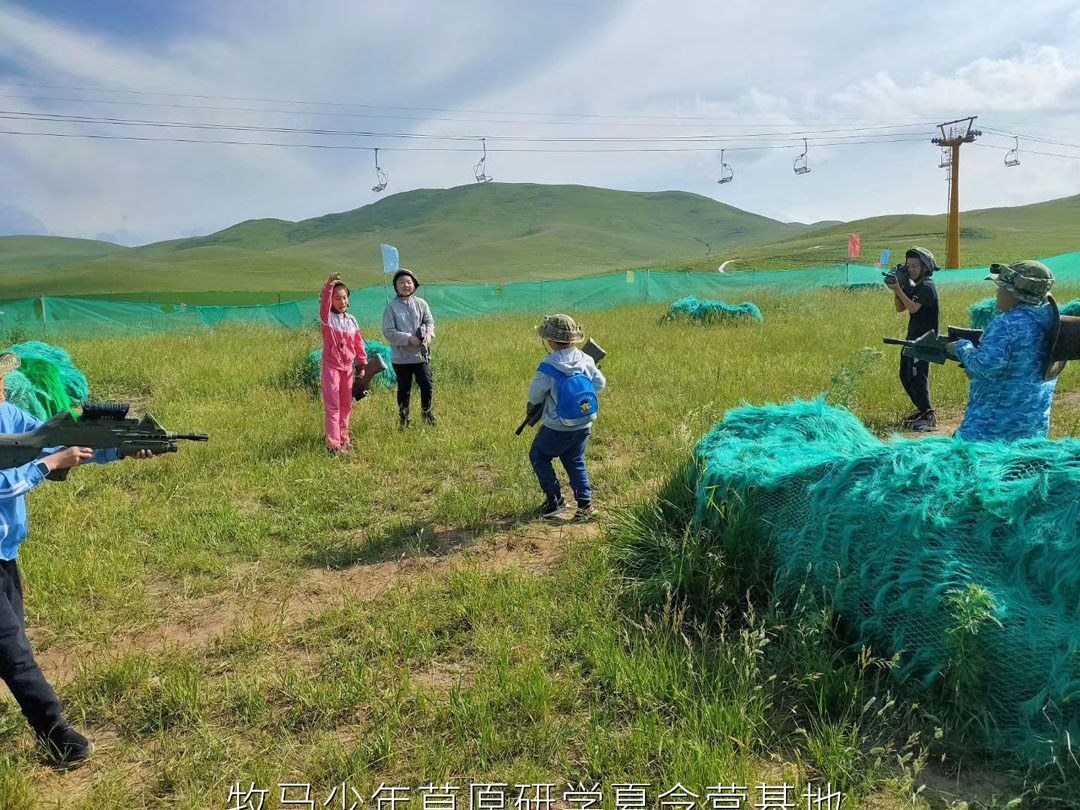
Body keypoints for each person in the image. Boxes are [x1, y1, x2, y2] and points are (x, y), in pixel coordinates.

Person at [0, 352, 154, 767]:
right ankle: (57, 735)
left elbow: (54, 444)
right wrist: (48, 466)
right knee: (13, 652)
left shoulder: (8, 416)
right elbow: (10, 481)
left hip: (4, 554)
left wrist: (119, 449)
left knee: (13, 646)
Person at [947, 260, 1058, 442]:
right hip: (1032, 429)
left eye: (1002, 287)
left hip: (991, 429)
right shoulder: (1052, 321)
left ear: (1016, 293)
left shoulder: (1006, 324)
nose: (998, 291)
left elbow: (986, 366)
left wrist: (960, 347)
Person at [526, 314, 606, 521]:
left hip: (557, 426)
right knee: (575, 460)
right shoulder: (587, 359)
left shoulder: (548, 366)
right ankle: (585, 507)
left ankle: (555, 501)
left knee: (539, 456)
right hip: (583, 423)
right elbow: (600, 384)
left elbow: (534, 396)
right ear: (574, 339)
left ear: (551, 341)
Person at [886, 247, 940, 431]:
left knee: (918, 377)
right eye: (908, 266)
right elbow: (899, 308)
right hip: (913, 338)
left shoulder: (927, 286)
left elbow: (913, 308)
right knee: (906, 375)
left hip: (925, 340)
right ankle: (922, 412)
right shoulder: (916, 286)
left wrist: (899, 289)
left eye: (915, 266)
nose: (910, 270)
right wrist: (897, 288)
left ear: (925, 267)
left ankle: (929, 416)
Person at [382, 269, 436, 428]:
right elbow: (388, 332)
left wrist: (428, 336)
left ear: (414, 285)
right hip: (401, 357)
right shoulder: (391, 308)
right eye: (401, 282)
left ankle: (427, 414)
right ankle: (404, 420)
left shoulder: (421, 304)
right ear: (396, 287)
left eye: (408, 282)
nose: (405, 285)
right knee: (404, 389)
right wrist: (408, 339)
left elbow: (429, 322)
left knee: (427, 385)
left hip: (421, 355)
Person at [320, 273, 367, 453]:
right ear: (331, 300)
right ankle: (333, 444)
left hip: (347, 369)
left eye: (344, 297)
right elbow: (324, 305)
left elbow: (358, 343)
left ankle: (344, 439)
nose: (342, 301)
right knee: (333, 406)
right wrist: (329, 285)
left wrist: (362, 363)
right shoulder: (327, 320)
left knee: (346, 405)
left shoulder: (351, 320)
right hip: (331, 367)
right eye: (337, 298)